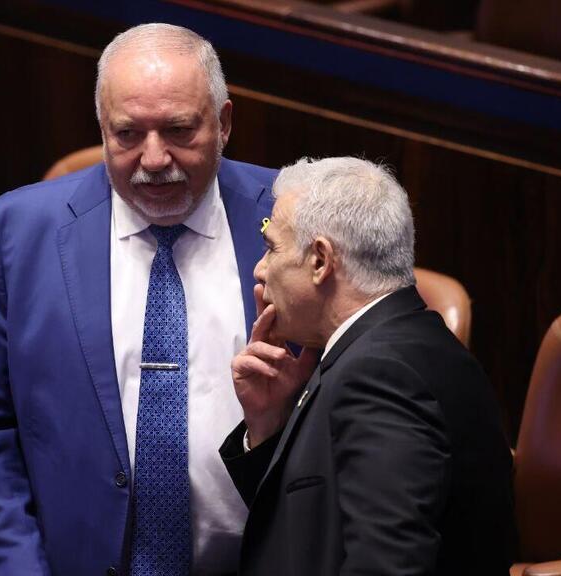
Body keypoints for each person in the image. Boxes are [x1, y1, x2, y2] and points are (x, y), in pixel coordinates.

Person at [0, 23, 277, 575]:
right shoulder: (17, 233)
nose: (152, 158)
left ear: (224, 124)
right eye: (127, 134)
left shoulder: (293, 216)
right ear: (101, 129)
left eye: (178, 129)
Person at [221, 157, 517, 575]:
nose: (260, 269)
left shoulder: (380, 377)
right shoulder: (410, 343)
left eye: (272, 248)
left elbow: (386, 565)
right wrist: (271, 425)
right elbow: (312, 528)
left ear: (320, 261)